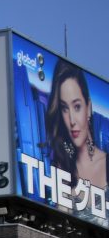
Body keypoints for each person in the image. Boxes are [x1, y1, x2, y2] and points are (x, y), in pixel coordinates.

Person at [47, 63, 109, 200]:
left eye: (77, 106)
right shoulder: (62, 169)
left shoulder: (106, 163)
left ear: (89, 107)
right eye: (64, 108)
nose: (71, 120)